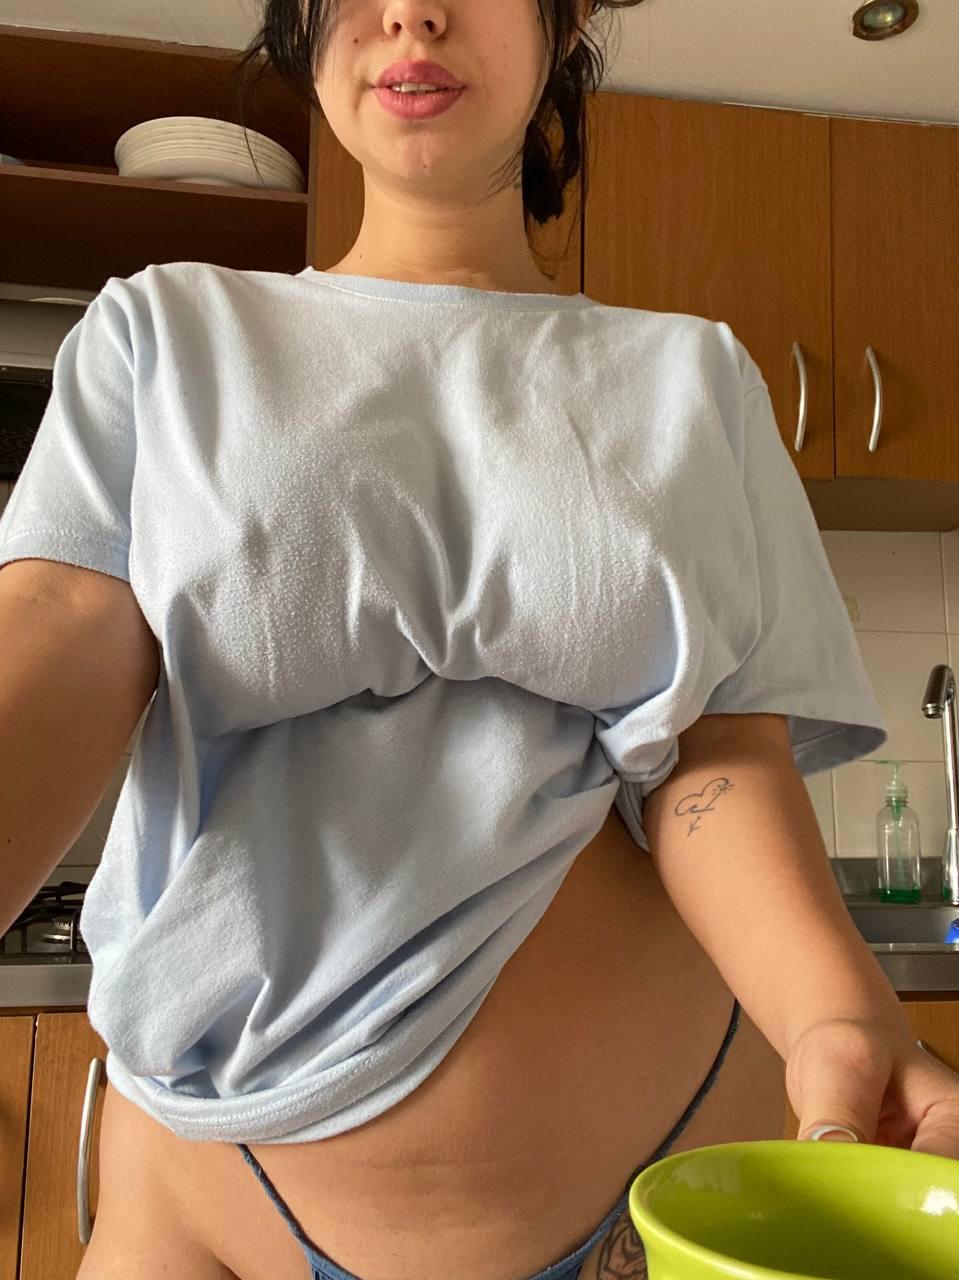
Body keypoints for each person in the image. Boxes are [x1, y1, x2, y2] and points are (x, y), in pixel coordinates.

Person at [1, 4, 956, 1280]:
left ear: (568, 21)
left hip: (661, 1210)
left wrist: (836, 1007)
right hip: (212, 1204)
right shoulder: (160, 336)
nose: (412, 11)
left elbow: (718, 759)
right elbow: (59, 633)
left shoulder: (698, 382)